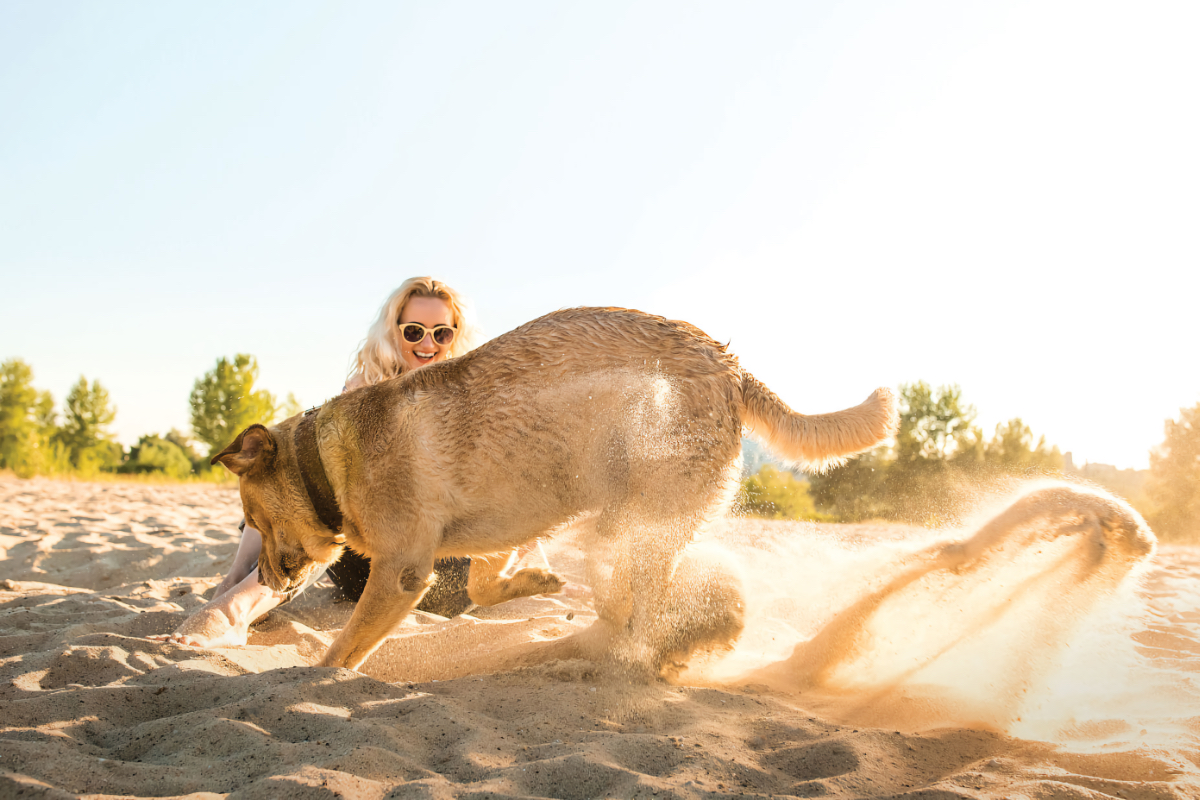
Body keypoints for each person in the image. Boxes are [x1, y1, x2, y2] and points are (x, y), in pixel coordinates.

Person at [155, 277, 495, 649]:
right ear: (394, 333)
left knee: (335, 514)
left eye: (441, 333)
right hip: (362, 563)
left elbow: (502, 496)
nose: (427, 344)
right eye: (414, 331)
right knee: (288, 483)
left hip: (435, 572)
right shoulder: (368, 385)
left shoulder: (467, 399)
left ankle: (233, 612)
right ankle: (232, 582)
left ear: (456, 336)